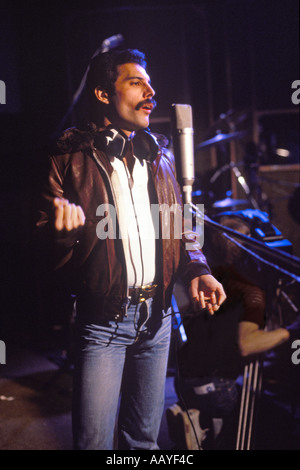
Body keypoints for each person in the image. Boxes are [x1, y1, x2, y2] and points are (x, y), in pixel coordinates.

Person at [36, 48, 226, 450]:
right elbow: (43, 254)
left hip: (156, 320)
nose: (151, 92)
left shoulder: (160, 155)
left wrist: (198, 268)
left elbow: (180, 224)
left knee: (143, 442)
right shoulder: (67, 157)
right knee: (94, 445)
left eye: (149, 82)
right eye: (136, 82)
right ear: (105, 94)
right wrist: (62, 233)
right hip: (103, 323)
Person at [167, 217, 299, 450]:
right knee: (281, 421)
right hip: (218, 389)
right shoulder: (253, 292)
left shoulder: (207, 279)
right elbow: (247, 343)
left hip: (184, 384)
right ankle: (213, 428)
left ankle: (202, 419)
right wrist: (289, 332)